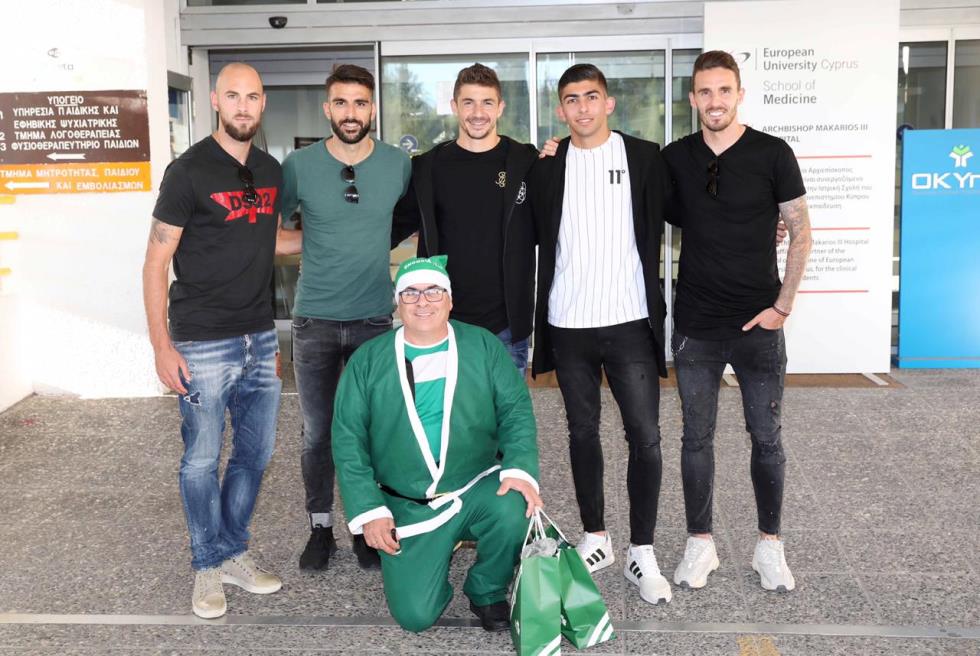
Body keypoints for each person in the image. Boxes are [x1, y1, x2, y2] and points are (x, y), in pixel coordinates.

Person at [663, 50, 812, 593]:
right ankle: (700, 544)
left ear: (739, 94)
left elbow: (801, 231)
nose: (715, 100)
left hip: (759, 325)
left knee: (766, 437)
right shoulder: (675, 158)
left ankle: (769, 545)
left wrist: (782, 307)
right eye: (705, 91)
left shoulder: (773, 153)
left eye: (724, 90)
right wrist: (556, 151)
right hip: (696, 326)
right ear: (692, 98)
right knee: (695, 438)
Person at [332, 255, 541, 633]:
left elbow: (515, 410)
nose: (422, 301)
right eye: (410, 293)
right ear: (397, 303)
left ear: (450, 299)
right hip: (407, 502)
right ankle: (434, 552)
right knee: (415, 617)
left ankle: (487, 588)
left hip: (472, 485)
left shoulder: (482, 345)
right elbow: (348, 440)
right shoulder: (368, 360)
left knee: (515, 506)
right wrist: (370, 509)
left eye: (433, 291)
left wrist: (519, 468)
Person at [142, 62, 283, 619]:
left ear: (263, 103)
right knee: (201, 459)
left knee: (255, 454)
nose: (243, 106)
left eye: (253, 96)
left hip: (260, 338)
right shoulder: (188, 172)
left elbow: (269, 239)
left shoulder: (270, 170)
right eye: (233, 96)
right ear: (215, 101)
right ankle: (207, 564)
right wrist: (162, 346)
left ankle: (232, 553)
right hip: (201, 342)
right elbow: (156, 263)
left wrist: (353, 235)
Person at [529, 63, 672, 605]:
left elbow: (690, 211)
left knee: (646, 436)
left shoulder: (644, 157)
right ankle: (596, 538)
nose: (582, 107)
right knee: (581, 433)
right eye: (572, 99)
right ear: (561, 109)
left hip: (630, 320)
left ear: (608, 103)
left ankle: (642, 551)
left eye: (591, 96)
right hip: (569, 322)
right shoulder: (547, 166)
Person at [277, 64, 412, 572]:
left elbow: (414, 221)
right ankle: (320, 529)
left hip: (374, 319)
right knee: (319, 433)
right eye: (341, 103)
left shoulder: (398, 165)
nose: (350, 113)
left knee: (372, 432)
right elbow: (269, 234)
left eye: (359, 103)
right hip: (313, 319)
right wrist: (317, 240)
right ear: (327, 108)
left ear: (372, 108)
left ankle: (366, 526)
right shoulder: (299, 166)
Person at [392, 63, 538, 376]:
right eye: (468, 102)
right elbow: (389, 228)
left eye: (487, 102)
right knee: (444, 407)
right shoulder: (428, 168)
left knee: (506, 408)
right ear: (454, 106)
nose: (478, 113)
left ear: (500, 107)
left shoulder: (525, 163)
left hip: (506, 326)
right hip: (443, 321)